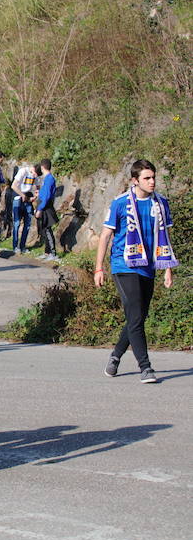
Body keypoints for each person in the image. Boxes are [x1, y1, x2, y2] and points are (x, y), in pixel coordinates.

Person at [96, 160, 176, 384]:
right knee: (136, 317)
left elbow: (165, 238)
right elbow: (105, 236)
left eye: (153, 177)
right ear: (135, 180)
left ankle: (115, 356)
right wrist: (99, 268)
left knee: (137, 318)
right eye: (147, 178)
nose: (152, 182)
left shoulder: (160, 204)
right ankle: (146, 367)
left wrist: (167, 268)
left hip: (148, 267)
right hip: (124, 266)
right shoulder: (120, 203)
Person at [10, 163, 37, 253]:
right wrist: (22, 195)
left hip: (28, 198)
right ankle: (15, 246)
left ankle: (22, 246)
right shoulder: (23, 171)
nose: (34, 176)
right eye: (34, 173)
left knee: (27, 223)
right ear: (32, 168)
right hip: (18, 198)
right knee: (17, 223)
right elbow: (13, 186)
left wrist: (35, 196)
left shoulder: (35, 174)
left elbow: (37, 188)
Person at [35, 159, 59, 262]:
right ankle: (47, 252)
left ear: (42, 167)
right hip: (43, 205)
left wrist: (40, 208)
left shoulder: (49, 179)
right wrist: (38, 193)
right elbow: (44, 193)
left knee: (48, 230)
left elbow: (47, 196)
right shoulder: (47, 179)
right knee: (44, 230)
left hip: (46, 207)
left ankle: (53, 253)